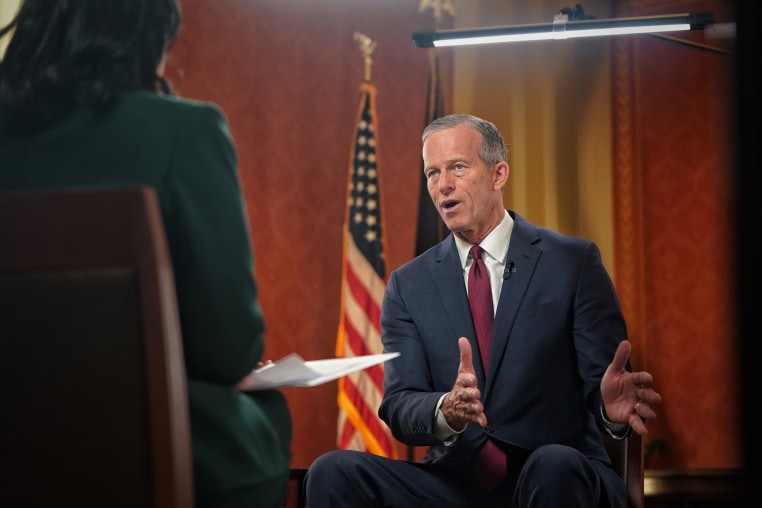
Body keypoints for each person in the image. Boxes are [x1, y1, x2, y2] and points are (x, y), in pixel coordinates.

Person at [0, 1, 291, 507]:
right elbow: (230, 351)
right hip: (127, 442)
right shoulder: (186, 130)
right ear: (145, 38)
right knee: (266, 414)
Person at [304, 113, 662, 508]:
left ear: (498, 174)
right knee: (332, 471)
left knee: (553, 465)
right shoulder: (408, 285)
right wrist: (446, 410)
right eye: (432, 173)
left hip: (554, 471)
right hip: (456, 482)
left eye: (458, 167)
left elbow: (605, 387)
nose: (444, 185)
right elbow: (400, 402)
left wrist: (610, 412)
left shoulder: (572, 263)